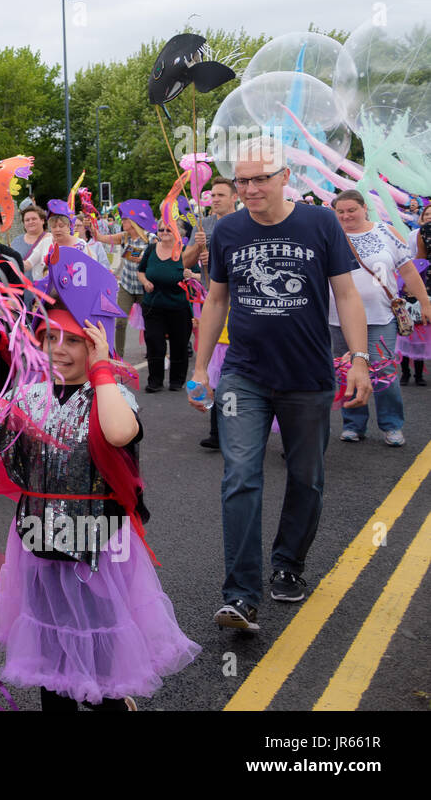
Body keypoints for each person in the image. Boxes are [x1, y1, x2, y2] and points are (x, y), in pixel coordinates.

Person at [0, 249, 198, 710]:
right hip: (38, 541)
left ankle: (111, 697)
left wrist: (104, 368)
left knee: (101, 643)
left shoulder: (112, 392)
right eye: (52, 339)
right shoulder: (24, 397)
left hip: (100, 543)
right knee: (50, 653)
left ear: (96, 344)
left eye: (75, 341)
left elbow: (119, 431)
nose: (61, 350)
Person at [190, 138, 371, 632]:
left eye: (259, 179)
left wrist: (358, 359)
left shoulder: (320, 223)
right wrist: (200, 367)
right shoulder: (226, 230)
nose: (249, 188)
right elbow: (216, 301)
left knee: (306, 477)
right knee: (240, 476)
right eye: (242, 180)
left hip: (308, 378)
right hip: (244, 376)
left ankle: (288, 565)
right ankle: (240, 594)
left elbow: (347, 295)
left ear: (285, 176)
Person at [328, 191, 431, 446]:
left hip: (380, 316)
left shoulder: (385, 232)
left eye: (351, 210)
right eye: (340, 211)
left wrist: (425, 302)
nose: (345, 216)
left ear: (365, 208)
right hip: (338, 319)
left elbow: (408, 269)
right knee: (346, 371)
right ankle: (353, 424)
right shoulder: (330, 235)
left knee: (384, 371)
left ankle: (391, 425)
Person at [182, 179, 238, 448]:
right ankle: (218, 431)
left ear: (234, 197)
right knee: (214, 368)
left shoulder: (246, 222)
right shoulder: (203, 225)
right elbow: (185, 261)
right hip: (212, 303)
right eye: (212, 195)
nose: (214, 199)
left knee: (234, 368)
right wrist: (198, 246)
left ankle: (243, 429)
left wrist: (214, 257)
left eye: (220, 195)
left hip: (239, 305)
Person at [92, 199, 156, 354]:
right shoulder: (124, 236)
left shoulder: (151, 238)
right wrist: (92, 224)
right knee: (119, 322)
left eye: (125, 219)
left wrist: (136, 255)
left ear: (133, 221)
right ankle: (118, 356)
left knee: (151, 323)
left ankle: (155, 352)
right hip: (127, 286)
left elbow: (155, 259)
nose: (123, 222)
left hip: (145, 286)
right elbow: (100, 238)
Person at [138, 224, 194, 393]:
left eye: (168, 229)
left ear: (178, 232)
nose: (163, 233)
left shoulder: (185, 251)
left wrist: (191, 275)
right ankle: (155, 381)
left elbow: (200, 275)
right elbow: (140, 271)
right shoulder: (151, 249)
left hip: (179, 306)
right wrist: (145, 282)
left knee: (179, 344)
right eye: (161, 230)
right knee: (155, 342)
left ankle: (177, 381)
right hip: (153, 305)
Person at [401, 204, 431, 384]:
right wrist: (413, 286)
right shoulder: (424, 231)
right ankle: (410, 372)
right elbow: (420, 259)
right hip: (428, 281)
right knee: (419, 327)